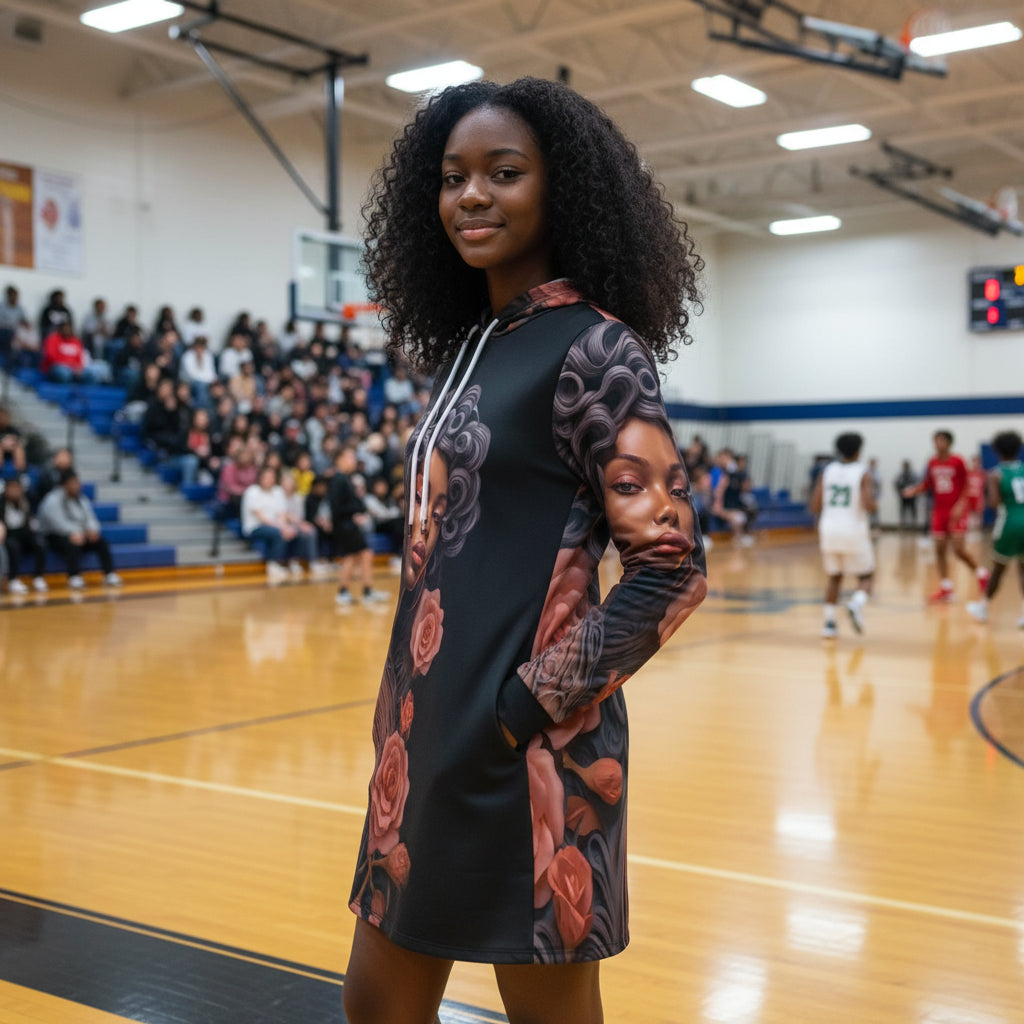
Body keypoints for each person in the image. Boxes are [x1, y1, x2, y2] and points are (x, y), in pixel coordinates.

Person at [342, 77, 707, 1024]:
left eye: (504, 173)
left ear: (561, 189)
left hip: (531, 756)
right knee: (376, 1004)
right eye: (453, 176)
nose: (472, 195)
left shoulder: (597, 351)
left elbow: (672, 569)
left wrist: (523, 707)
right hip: (424, 742)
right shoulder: (470, 350)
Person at [902, 430, 988, 602]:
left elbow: (966, 485)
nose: (937, 444)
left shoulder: (958, 461)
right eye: (935, 440)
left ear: (949, 443)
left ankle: (981, 573)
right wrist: (914, 490)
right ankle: (946, 587)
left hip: (956, 510)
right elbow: (928, 483)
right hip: (939, 510)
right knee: (939, 549)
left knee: (958, 549)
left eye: (941, 440)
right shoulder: (932, 462)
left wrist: (961, 505)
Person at [810, 432, 876, 638]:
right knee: (866, 575)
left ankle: (829, 624)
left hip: (829, 529)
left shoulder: (827, 471)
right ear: (858, 451)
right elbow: (869, 505)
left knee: (834, 577)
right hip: (853, 529)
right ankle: (856, 603)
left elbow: (815, 504)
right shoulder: (863, 472)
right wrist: (874, 505)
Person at [966, 430, 1024, 627]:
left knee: (999, 569)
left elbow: (994, 502)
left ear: (997, 451)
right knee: (1023, 569)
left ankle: (983, 607)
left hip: (1009, 523)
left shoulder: (996, 474)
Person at [37, 468, 121, 589]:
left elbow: (90, 516)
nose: (77, 486)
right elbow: (57, 523)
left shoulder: (81, 498)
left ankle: (109, 574)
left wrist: (92, 529)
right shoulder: (52, 499)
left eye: (77, 483)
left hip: (80, 533)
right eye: (73, 483)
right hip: (55, 535)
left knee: (102, 542)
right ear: (64, 485)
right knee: (72, 543)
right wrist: (73, 532)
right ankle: (74, 576)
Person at [328, 444, 386, 606]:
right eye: (350, 457)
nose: (353, 460)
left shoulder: (345, 478)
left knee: (353, 557)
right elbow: (336, 507)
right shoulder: (338, 479)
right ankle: (357, 591)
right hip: (345, 526)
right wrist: (355, 514)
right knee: (363, 554)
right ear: (339, 459)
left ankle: (355, 590)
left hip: (347, 524)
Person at [240, 464, 318, 583]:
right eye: (266, 477)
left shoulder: (278, 491)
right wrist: (282, 528)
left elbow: (282, 513)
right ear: (260, 477)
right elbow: (261, 518)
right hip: (255, 527)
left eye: (272, 477)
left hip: (277, 525)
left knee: (295, 532)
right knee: (279, 533)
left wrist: (287, 526)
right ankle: (273, 563)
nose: (269, 480)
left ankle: (293, 561)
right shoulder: (252, 491)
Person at [0, 475, 48, 594]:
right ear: (6, 489)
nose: (15, 491)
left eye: (17, 488)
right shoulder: (1, 503)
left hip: (23, 532)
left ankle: (38, 577)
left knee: (40, 543)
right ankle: (13, 579)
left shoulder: (24, 500)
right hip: (8, 534)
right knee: (13, 546)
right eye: (12, 488)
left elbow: (28, 520)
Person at [894, 459, 919, 530]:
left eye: (907, 466)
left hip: (912, 496)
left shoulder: (913, 474)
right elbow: (896, 484)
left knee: (913, 510)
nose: (906, 467)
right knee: (903, 510)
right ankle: (902, 525)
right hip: (903, 496)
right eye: (905, 466)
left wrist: (913, 491)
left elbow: (917, 484)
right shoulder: (900, 475)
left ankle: (914, 524)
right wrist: (900, 492)